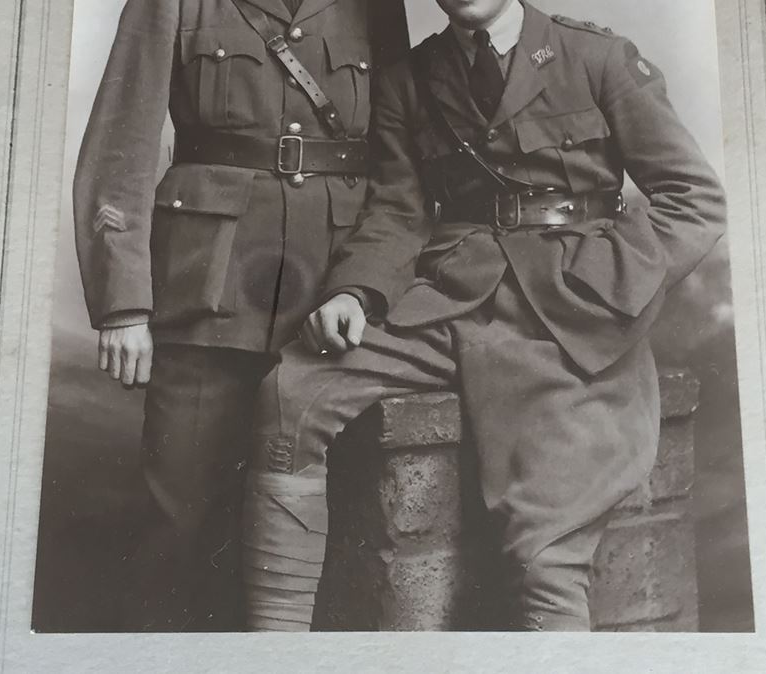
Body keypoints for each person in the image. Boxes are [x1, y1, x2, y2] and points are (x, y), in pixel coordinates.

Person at [240, 0, 727, 632]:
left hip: (571, 314)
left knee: (547, 550)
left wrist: (614, 289)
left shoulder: (597, 57)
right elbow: (396, 211)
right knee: (292, 394)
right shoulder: (411, 77)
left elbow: (695, 199)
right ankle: (272, 654)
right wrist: (353, 293)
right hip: (453, 296)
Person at [73, 0, 405, 631]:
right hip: (208, 290)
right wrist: (123, 301)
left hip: (331, 295)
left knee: (320, 529)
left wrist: (364, 285)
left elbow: (396, 161)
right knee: (181, 517)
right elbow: (122, 139)